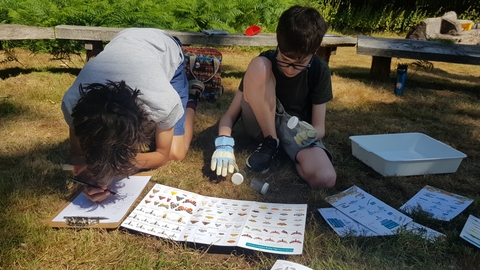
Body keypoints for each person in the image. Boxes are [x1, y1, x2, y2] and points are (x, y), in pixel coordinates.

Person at [62, 28, 201, 202]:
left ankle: (193, 97)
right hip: (124, 40)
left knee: (176, 152)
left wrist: (113, 165)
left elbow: (162, 156)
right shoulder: (72, 103)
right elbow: (77, 154)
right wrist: (92, 173)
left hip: (167, 47)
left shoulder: (161, 101)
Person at [210, 5, 336, 188]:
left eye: (299, 63)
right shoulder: (266, 62)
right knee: (259, 65)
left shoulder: (319, 70)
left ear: (313, 52)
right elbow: (230, 115)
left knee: (325, 179)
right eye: (284, 59)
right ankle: (272, 142)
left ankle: (285, 149)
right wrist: (223, 142)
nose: (289, 69)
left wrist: (311, 136)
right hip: (260, 126)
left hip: (294, 131)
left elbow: (319, 128)